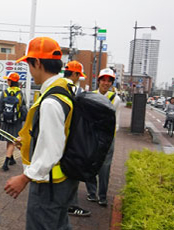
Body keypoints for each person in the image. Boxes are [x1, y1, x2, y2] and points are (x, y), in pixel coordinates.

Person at [4, 37, 79, 230]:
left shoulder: (50, 102)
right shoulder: (64, 87)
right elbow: (59, 132)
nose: (29, 71)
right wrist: (27, 141)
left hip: (49, 183)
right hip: (63, 178)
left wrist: (24, 178)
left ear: (37, 63)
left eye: (29, 64)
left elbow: (51, 150)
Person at [85, 68, 121, 206]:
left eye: (109, 80)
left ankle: (102, 195)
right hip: (92, 136)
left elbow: (116, 121)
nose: (106, 83)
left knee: (105, 167)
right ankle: (91, 193)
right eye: (103, 79)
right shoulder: (89, 96)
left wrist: (110, 137)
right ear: (98, 80)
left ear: (112, 83)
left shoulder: (115, 99)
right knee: (90, 163)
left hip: (107, 138)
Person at [62, 61, 92, 217]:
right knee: (72, 173)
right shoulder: (76, 91)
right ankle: (71, 205)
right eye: (79, 75)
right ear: (74, 74)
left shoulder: (55, 87)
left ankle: (65, 203)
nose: (79, 78)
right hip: (73, 139)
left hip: (61, 137)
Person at [0, 72, 26, 171]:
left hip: (6, 119)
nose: (7, 81)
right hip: (16, 120)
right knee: (12, 140)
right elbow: (23, 107)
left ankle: (6, 162)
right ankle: (10, 160)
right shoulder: (20, 93)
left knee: (11, 140)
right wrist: (23, 119)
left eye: (8, 80)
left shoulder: (5, 92)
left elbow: (0, 107)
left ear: (11, 81)